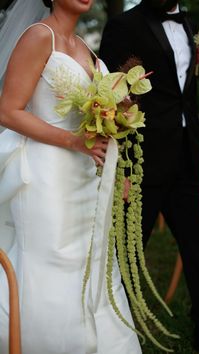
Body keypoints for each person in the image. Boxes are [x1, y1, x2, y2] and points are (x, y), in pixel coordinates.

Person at [0, 0, 142, 353]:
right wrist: (72, 140)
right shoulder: (38, 36)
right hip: (46, 175)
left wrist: (116, 159)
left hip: (83, 177)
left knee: (90, 260)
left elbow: (97, 123)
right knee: (51, 260)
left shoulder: (85, 49)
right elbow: (8, 110)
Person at [100, 1, 199, 353]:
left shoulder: (188, 24)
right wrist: (124, 168)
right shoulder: (123, 26)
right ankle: (114, 332)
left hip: (186, 161)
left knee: (198, 250)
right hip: (143, 162)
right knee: (129, 254)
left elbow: (186, 95)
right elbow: (111, 98)